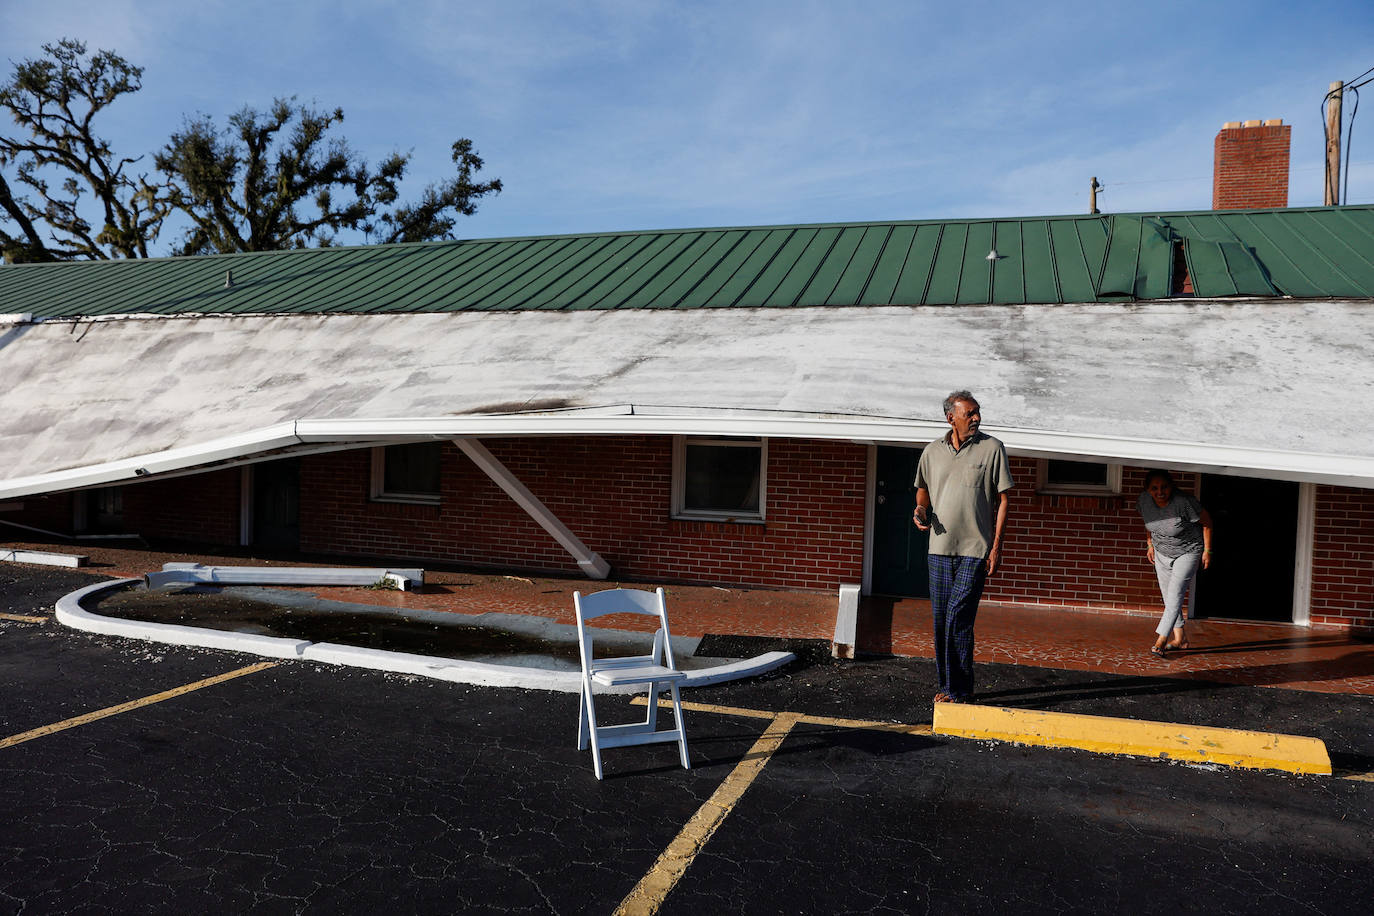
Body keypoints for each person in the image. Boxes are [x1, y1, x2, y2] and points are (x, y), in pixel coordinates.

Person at [913, 390, 1013, 703]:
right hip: (939, 549)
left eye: (977, 412)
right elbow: (923, 491)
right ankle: (950, 687)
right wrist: (919, 510)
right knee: (942, 620)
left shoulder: (992, 448)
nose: (976, 418)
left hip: (975, 549)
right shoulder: (931, 452)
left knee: (958, 616)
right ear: (950, 418)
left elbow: (1004, 499)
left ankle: (960, 689)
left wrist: (996, 547)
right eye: (969, 413)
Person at [1137, 469, 1213, 658]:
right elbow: (1148, 523)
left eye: (1164, 487)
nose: (1160, 491)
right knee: (1169, 598)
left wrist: (1207, 551)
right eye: (1154, 488)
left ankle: (1161, 640)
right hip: (1162, 553)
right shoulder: (1144, 501)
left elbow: (1207, 522)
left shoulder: (1183, 502)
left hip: (1188, 551)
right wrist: (1149, 544)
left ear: (1171, 487)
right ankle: (1180, 639)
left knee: (1175, 594)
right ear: (1147, 489)